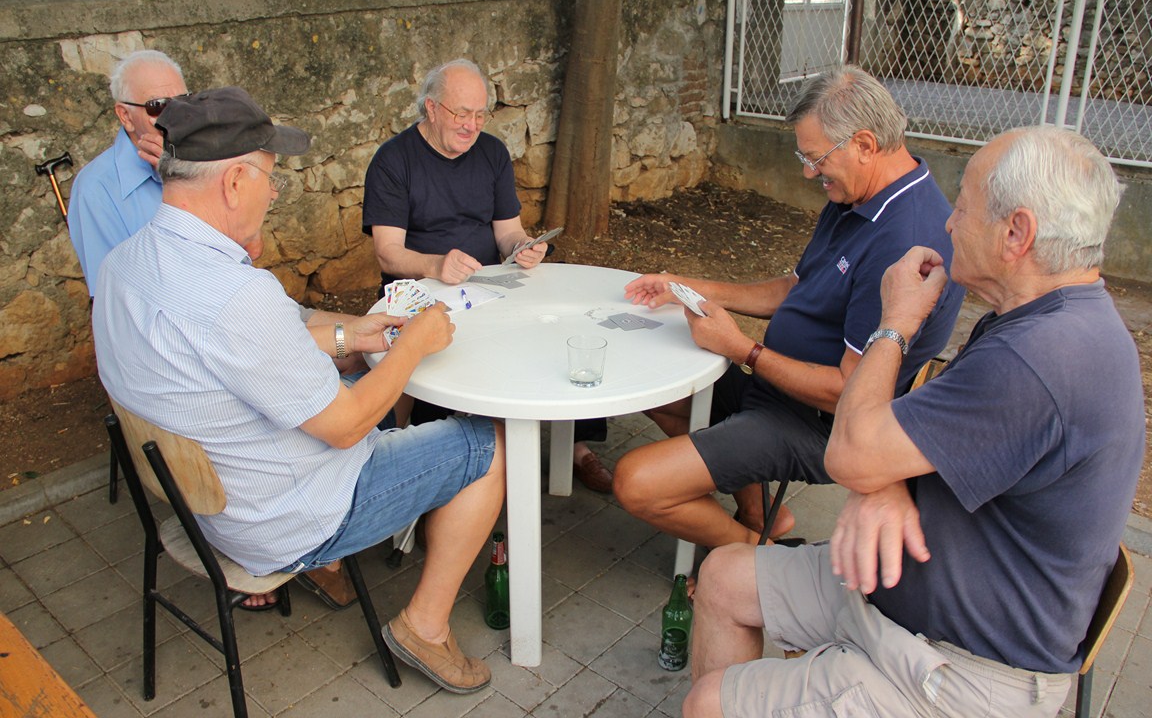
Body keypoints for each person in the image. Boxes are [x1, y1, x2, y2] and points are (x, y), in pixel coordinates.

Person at [682, 125, 1145, 718]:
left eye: (964, 207)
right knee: (722, 577)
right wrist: (889, 483)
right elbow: (915, 428)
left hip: (962, 667)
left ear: (1017, 233)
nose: (948, 224)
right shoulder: (1043, 319)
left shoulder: (1039, 360)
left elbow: (851, 452)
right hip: (903, 592)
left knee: (708, 704)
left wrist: (895, 320)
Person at [92, 87, 507, 695]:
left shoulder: (124, 265)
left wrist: (351, 334)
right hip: (283, 517)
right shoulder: (235, 297)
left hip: (201, 506)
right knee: (488, 442)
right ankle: (424, 625)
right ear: (234, 182)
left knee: (365, 371)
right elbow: (343, 427)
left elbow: (251, 343)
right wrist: (413, 343)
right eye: (270, 177)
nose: (274, 191)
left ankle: (373, 543)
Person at [614, 66, 965, 547]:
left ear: (864, 144)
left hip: (818, 423)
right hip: (778, 392)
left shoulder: (903, 243)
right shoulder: (860, 194)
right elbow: (795, 289)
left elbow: (848, 392)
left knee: (636, 482)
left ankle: (756, 559)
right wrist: (684, 285)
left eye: (816, 157)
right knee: (654, 387)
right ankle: (763, 521)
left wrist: (742, 350)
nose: (807, 172)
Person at [362, 58, 613, 492]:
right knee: (454, 364)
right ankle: (441, 473)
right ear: (432, 108)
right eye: (462, 114)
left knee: (563, 327)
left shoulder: (492, 152)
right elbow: (388, 254)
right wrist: (435, 264)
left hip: (491, 284)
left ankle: (577, 444)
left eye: (480, 115)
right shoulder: (393, 160)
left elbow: (508, 233)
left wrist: (522, 248)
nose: (472, 126)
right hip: (424, 291)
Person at [67, 50, 187, 296]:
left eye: (184, 102)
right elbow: (117, 297)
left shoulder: (197, 156)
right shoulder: (97, 188)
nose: (176, 116)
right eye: (159, 105)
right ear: (126, 116)